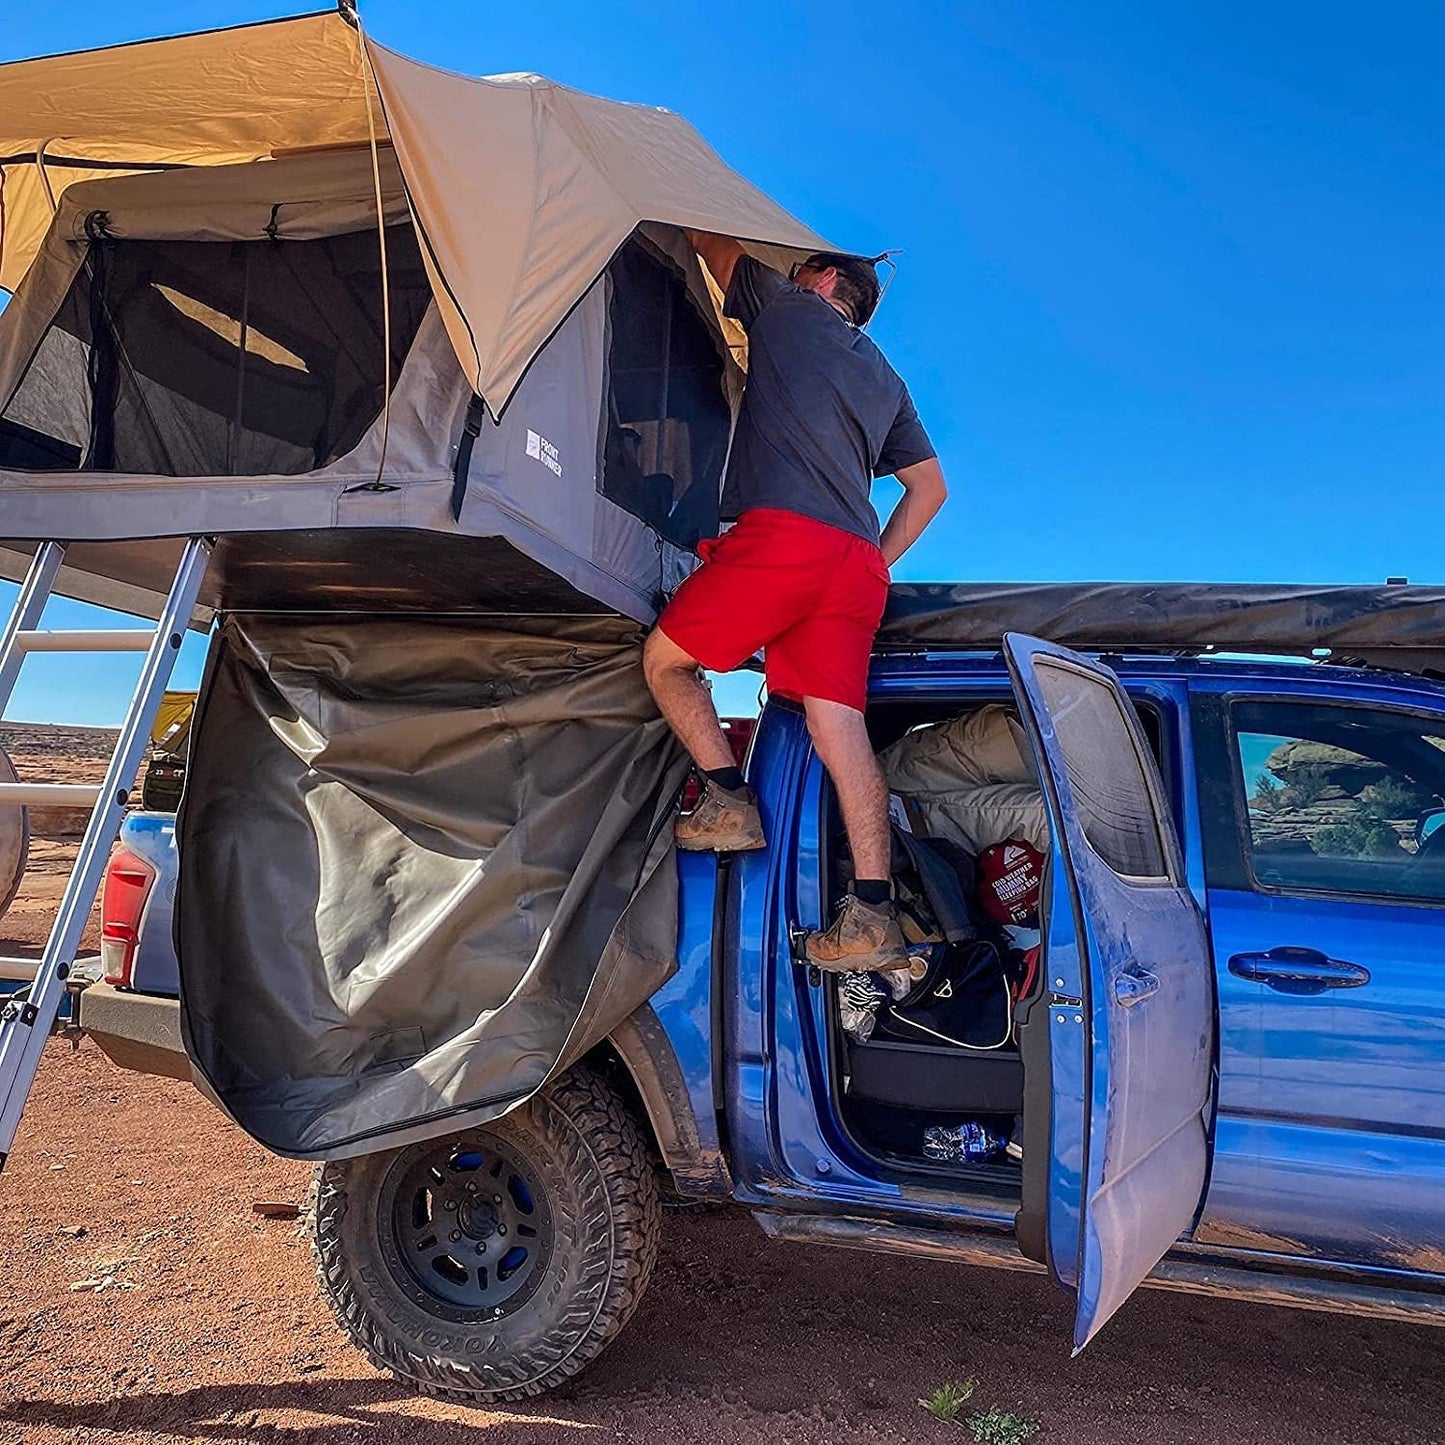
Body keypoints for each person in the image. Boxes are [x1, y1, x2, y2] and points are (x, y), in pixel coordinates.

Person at [642, 234, 948, 973]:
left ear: (821, 277)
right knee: (838, 731)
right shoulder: (886, 379)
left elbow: (713, 244)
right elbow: (930, 488)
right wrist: (871, 559)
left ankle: (725, 798)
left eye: (799, 266)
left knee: (666, 663)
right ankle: (871, 915)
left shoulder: (786, 310)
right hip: (854, 568)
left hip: (785, 537)